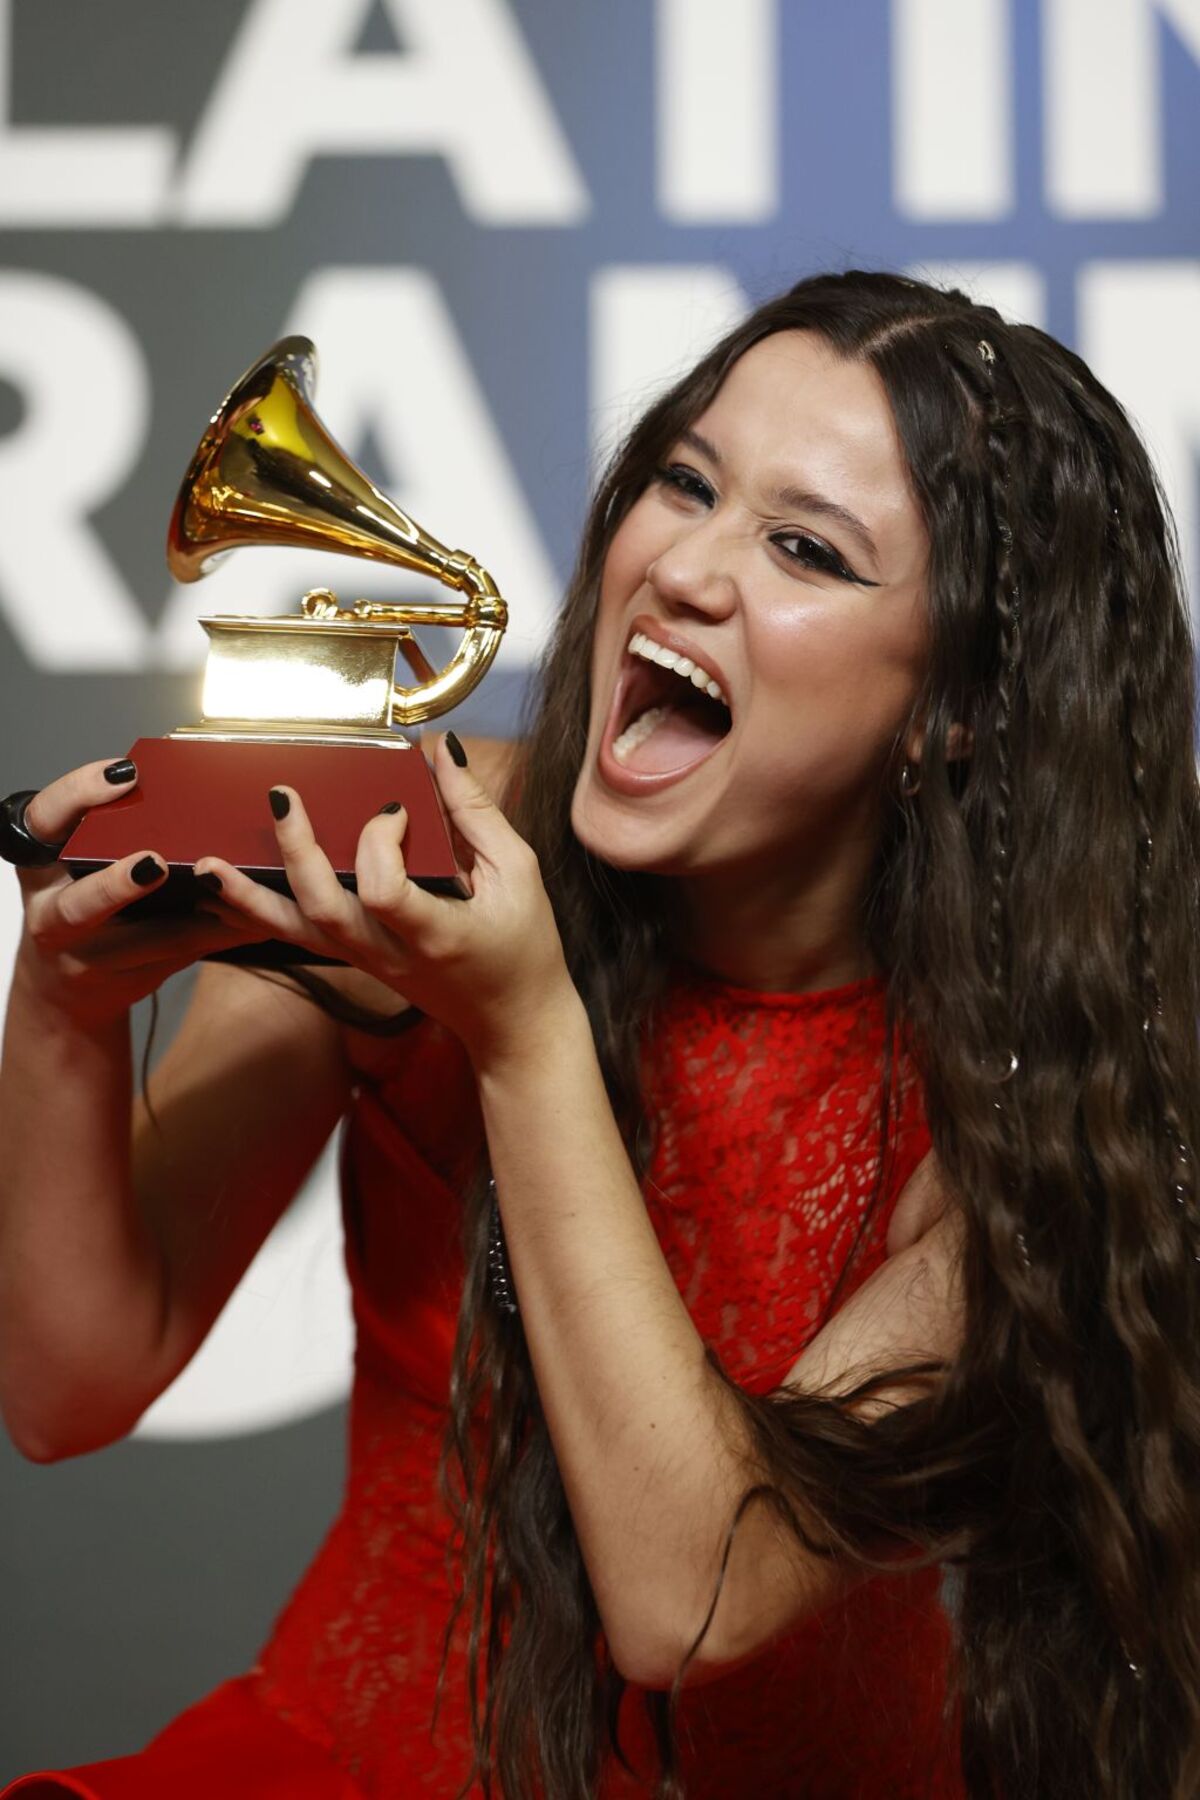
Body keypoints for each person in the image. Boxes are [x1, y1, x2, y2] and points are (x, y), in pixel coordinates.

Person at [1, 269, 1198, 1800]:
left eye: (804, 548)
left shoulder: (1026, 1117)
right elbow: (66, 1385)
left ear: (947, 711)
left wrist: (519, 1032)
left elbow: (689, 1597)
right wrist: (67, 1007)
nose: (686, 566)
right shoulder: (405, 839)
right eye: (685, 480)